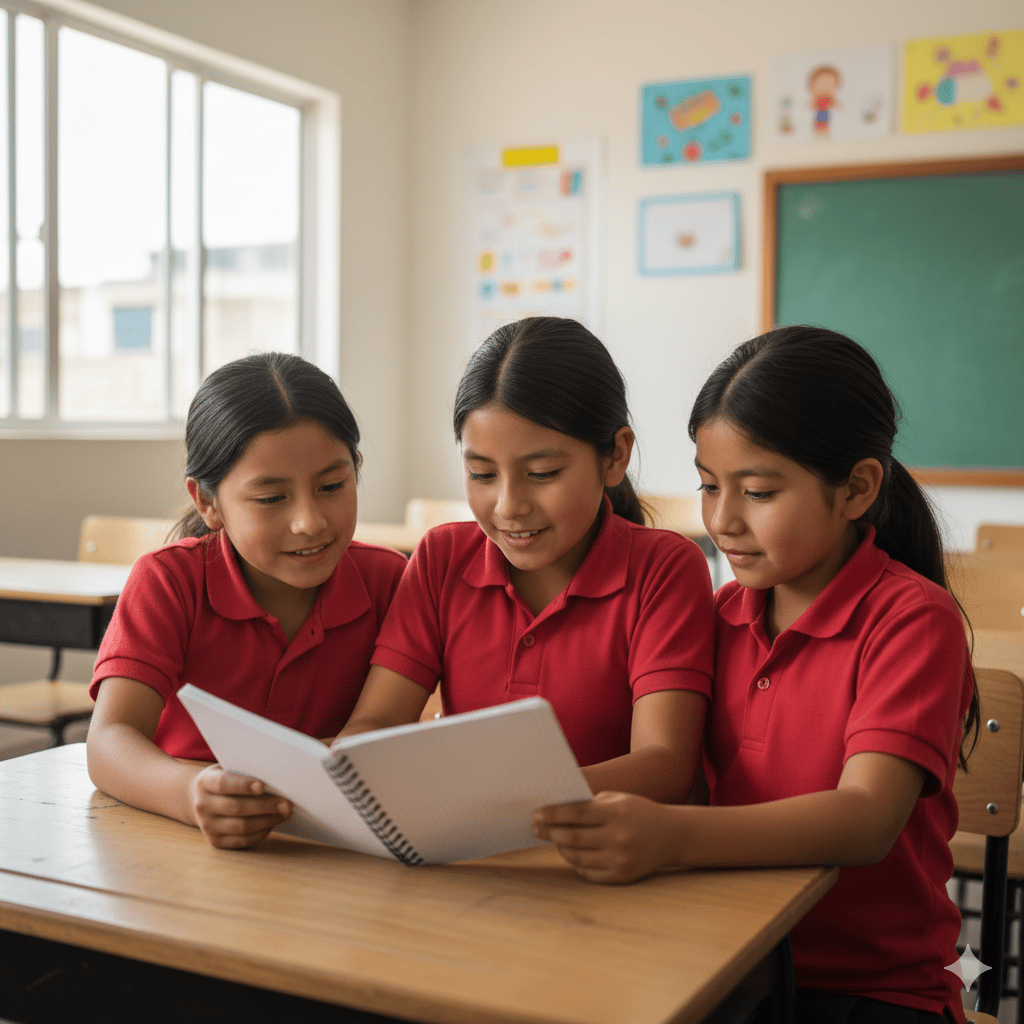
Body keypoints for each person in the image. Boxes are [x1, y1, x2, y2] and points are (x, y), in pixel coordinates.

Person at [534, 325, 979, 1024]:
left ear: (857, 488)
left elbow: (865, 820)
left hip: (873, 989)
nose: (722, 520)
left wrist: (672, 836)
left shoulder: (915, 621)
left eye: (760, 492)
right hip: (723, 958)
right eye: (709, 486)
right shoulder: (716, 616)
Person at [338, 316, 714, 801]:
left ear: (615, 456)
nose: (508, 506)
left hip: (601, 858)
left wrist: (503, 796)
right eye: (481, 474)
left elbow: (664, 766)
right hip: (467, 848)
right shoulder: (441, 558)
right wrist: (348, 762)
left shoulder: (664, 569)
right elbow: (378, 719)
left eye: (542, 473)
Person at [87, 353, 406, 849]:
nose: (310, 521)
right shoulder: (169, 582)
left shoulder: (390, 581)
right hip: (178, 842)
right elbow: (109, 742)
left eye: (332, 486)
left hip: (330, 852)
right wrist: (193, 792)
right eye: (272, 498)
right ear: (207, 502)